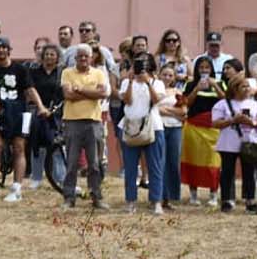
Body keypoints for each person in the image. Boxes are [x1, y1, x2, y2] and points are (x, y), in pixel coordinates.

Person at [0, 37, 43, 203]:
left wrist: (40, 106)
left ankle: (16, 188)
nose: (0, 50)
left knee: (19, 148)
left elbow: (30, 89)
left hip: (19, 111)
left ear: (9, 50)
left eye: (3, 48)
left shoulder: (19, 69)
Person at [59, 43, 110, 208]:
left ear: (91, 58)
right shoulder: (67, 73)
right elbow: (68, 95)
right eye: (79, 56)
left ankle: (96, 197)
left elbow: (102, 94)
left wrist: (79, 89)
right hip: (72, 122)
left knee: (94, 164)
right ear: (75, 58)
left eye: (85, 56)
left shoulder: (99, 73)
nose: (82, 59)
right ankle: (69, 197)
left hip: (93, 122)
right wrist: (90, 93)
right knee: (72, 163)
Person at [117, 53, 167, 214]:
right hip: (131, 127)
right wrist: (131, 81)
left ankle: (156, 201)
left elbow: (156, 100)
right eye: (136, 66)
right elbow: (127, 100)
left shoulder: (157, 83)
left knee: (155, 167)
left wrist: (148, 83)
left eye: (143, 67)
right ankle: (131, 201)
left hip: (153, 127)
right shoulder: (126, 82)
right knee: (131, 167)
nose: (139, 70)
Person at [179, 56, 224, 205]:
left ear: (211, 69)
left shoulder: (220, 83)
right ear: (197, 70)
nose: (204, 70)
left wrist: (215, 86)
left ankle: (213, 195)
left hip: (213, 129)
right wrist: (197, 88)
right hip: (194, 128)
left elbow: (225, 101)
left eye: (207, 68)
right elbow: (187, 103)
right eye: (201, 68)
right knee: (194, 160)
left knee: (214, 162)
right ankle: (193, 195)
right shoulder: (191, 84)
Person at [211, 77, 257, 212]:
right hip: (228, 143)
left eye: (248, 86)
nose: (247, 89)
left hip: (249, 142)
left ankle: (250, 200)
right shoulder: (223, 104)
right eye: (243, 86)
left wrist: (251, 123)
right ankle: (227, 200)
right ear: (234, 89)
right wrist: (232, 120)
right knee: (227, 172)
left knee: (249, 172)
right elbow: (215, 123)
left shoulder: (254, 104)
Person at [26, 44, 63, 190]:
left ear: (57, 57)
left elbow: (62, 95)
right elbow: (30, 90)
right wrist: (40, 107)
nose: (49, 57)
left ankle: (60, 177)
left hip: (55, 113)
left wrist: (52, 110)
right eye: (46, 54)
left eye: (52, 54)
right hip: (36, 111)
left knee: (56, 145)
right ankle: (36, 177)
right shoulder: (34, 72)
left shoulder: (61, 73)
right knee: (36, 145)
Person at [156, 63, 186, 207]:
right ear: (159, 75)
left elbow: (183, 113)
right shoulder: (156, 91)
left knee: (173, 162)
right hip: (159, 127)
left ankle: (172, 196)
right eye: (164, 75)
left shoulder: (178, 92)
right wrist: (173, 111)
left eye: (170, 75)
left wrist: (166, 110)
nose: (167, 78)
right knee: (159, 162)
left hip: (175, 129)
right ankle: (159, 196)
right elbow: (156, 110)